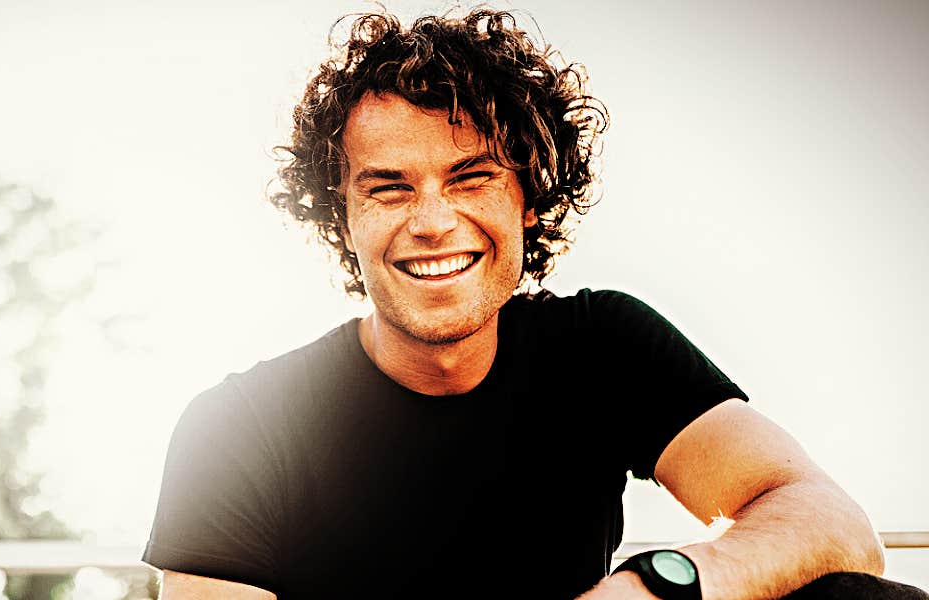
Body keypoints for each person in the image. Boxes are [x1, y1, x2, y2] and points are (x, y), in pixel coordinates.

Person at [143, 9, 925, 600]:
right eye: (387, 187)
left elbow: (836, 525)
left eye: (471, 177)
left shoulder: (602, 344)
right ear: (340, 218)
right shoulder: (236, 426)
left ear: (529, 200)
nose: (432, 221)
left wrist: (656, 586)